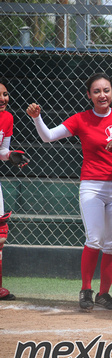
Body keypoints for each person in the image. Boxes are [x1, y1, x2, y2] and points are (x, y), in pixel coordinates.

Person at [27, 73, 112, 311]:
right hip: (92, 186)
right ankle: (86, 290)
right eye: (96, 91)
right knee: (94, 238)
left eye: (106, 90)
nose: (102, 95)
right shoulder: (82, 119)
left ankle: (104, 295)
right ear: (89, 95)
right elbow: (48, 137)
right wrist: (37, 117)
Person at [0, 78, 30, 301]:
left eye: (5, 94)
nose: (3, 99)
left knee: (0, 235)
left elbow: (3, 150)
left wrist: (11, 156)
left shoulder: (8, 117)